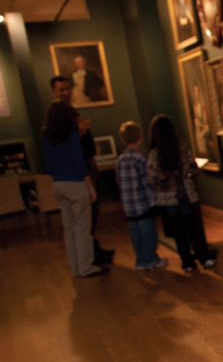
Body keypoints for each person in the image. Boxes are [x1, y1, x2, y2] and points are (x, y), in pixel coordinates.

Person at [40, 78, 108, 278]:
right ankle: (86, 266)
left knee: (68, 228)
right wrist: (90, 186)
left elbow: (48, 165)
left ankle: (75, 268)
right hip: (76, 183)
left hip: (58, 184)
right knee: (82, 228)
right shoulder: (70, 135)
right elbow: (79, 162)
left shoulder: (46, 136)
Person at [146, 115, 217, 273]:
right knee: (194, 229)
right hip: (186, 193)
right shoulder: (182, 147)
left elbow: (151, 176)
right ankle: (204, 258)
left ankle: (187, 262)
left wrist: (165, 177)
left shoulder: (154, 154)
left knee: (179, 233)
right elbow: (192, 167)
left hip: (168, 198)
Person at [115, 121, 167, 271]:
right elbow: (148, 179)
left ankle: (141, 260)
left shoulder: (120, 160)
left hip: (129, 205)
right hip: (144, 203)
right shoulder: (141, 158)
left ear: (123, 139)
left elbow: (118, 181)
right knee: (148, 232)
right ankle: (151, 259)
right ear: (139, 138)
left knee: (135, 234)